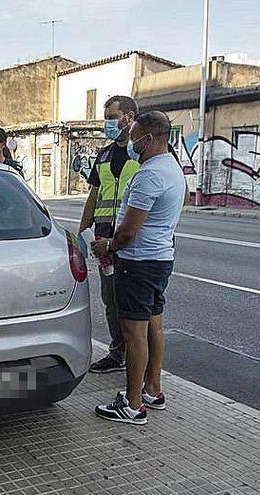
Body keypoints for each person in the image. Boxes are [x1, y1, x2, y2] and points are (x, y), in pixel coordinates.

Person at [91, 111, 186, 425]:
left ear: (149, 138)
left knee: (134, 334)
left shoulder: (149, 175)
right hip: (160, 260)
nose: (130, 143)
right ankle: (152, 390)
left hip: (138, 263)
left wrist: (108, 246)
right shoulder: (172, 168)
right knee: (154, 327)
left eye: (134, 138)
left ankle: (132, 405)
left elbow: (129, 231)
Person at [78, 95, 141, 374]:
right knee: (111, 300)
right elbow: (94, 195)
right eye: (106, 118)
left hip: (134, 239)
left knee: (136, 304)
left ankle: (139, 358)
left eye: (112, 117)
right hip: (105, 242)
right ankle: (118, 354)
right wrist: (82, 230)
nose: (108, 123)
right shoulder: (103, 155)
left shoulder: (144, 153)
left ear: (129, 117)